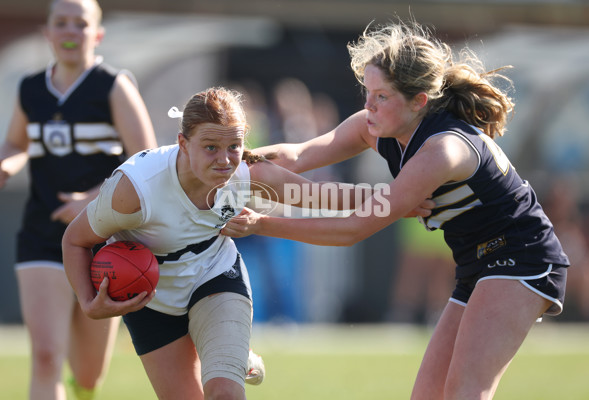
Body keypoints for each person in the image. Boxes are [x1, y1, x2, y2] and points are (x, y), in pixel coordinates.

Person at [222, 20, 570, 400]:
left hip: (522, 257)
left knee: (466, 390)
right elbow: (300, 154)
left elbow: (352, 228)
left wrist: (259, 223)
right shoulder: (377, 127)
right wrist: (235, 160)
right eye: (367, 93)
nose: (368, 106)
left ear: (419, 100)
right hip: (477, 264)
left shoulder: (442, 150)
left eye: (381, 97)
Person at [62, 87, 415, 399]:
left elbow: (322, 195)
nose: (224, 159)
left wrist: (398, 199)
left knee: (224, 392)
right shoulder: (135, 189)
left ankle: (224, 350)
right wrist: (89, 302)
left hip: (214, 276)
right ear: (183, 143)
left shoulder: (249, 174)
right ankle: (228, 350)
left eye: (234, 146)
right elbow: (75, 240)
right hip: (151, 300)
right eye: (211, 147)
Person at [0, 1, 157, 399]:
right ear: (48, 33)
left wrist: (92, 201)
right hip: (41, 233)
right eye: (61, 23)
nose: (71, 32)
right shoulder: (31, 88)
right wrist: (5, 164)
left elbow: (146, 160)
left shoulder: (113, 85)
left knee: (88, 375)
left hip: (103, 240)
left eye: (81, 24)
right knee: (47, 357)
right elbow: (15, 143)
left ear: (97, 34)